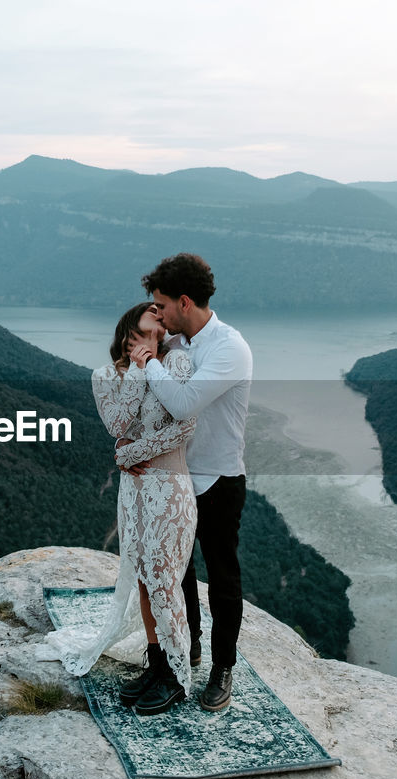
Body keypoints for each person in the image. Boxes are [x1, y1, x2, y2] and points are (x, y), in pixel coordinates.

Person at [39, 302, 197, 715]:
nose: (161, 318)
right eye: (152, 313)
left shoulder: (177, 362)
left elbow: (185, 425)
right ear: (130, 326)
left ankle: (178, 676)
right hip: (132, 495)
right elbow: (117, 425)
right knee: (144, 578)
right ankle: (157, 662)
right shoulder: (107, 375)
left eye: (163, 318)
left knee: (165, 580)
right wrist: (138, 371)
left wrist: (132, 454)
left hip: (169, 489)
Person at [129, 253, 252, 712]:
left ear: (185, 301)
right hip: (175, 476)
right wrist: (135, 453)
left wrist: (148, 362)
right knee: (177, 574)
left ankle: (223, 667)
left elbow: (182, 404)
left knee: (222, 577)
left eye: (162, 305)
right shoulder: (175, 343)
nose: (157, 314)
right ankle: (188, 649)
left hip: (219, 479)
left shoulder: (229, 347)